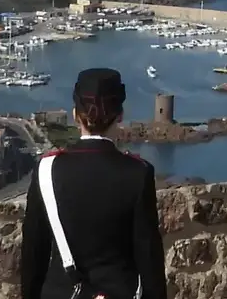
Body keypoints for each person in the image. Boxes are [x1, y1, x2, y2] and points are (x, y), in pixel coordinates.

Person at [20, 67, 168, 299]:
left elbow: (33, 255)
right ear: (119, 114)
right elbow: (149, 261)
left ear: (75, 114)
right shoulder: (138, 173)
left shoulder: (46, 170)